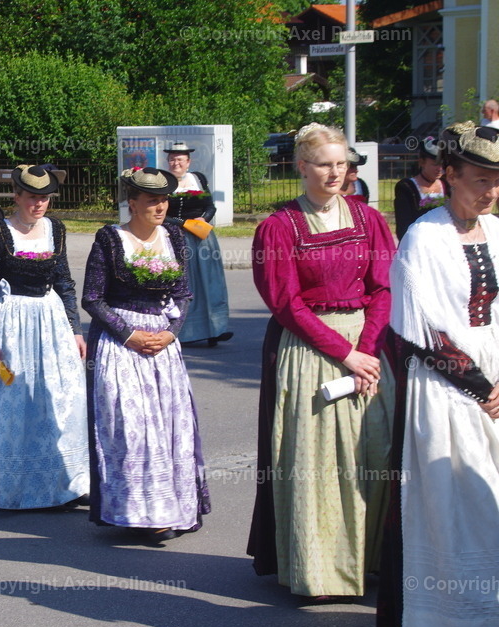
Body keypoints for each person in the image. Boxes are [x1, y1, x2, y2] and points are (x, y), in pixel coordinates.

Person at [247, 122, 396, 599]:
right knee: (315, 464)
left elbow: (384, 287)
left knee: (372, 455)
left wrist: (367, 348)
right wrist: (345, 353)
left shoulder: (368, 219)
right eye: (324, 164)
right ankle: (319, 569)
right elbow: (286, 303)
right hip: (310, 349)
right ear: (301, 167)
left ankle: (370, 562)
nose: (335, 172)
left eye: (341, 164)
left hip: (366, 348)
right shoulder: (278, 226)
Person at [377, 121, 499, 627]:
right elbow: (420, 329)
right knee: (456, 506)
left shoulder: (496, 231)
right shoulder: (424, 235)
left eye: (497, 180)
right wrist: (481, 386)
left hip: (495, 376)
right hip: (448, 387)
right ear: (449, 175)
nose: (490, 190)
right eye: (480, 179)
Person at [82, 166, 210, 536]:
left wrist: (172, 332)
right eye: (152, 200)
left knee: (171, 427)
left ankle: (170, 505)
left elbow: (184, 294)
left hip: (162, 346)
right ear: (132, 203)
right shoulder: (109, 239)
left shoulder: (173, 236)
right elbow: (92, 298)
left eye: (164, 199)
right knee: (132, 428)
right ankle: (139, 511)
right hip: (122, 344)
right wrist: (128, 334)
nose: (161, 207)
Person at [0, 164, 89, 510]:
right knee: (15, 400)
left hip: (51, 321)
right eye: (32, 197)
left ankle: (66, 482)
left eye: (45, 197)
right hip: (12, 325)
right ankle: (16, 487)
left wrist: (76, 330)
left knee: (60, 397)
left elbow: (65, 282)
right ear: (18, 196)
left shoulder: (57, 229)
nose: (39, 204)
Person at [164, 141, 233, 346]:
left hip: (202, 237)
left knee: (210, 282)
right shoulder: (164, 182)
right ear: (168, 161)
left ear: (188, 162)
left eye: (180, 159)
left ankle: (215, 329)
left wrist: (204, 219)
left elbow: (210, 206)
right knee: (184, 284)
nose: (176, 163)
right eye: (172, 159)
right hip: (176, 236)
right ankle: (183, 331)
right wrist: (183, 223)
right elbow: (160, 213)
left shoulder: (198, 179)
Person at [393, 137, 446, 240]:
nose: (439, 169)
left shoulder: (447, 185)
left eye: (442, 164)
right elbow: (403, 225)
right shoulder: (407, 187)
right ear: (422, 162)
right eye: (435, 164)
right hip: (419, 241)